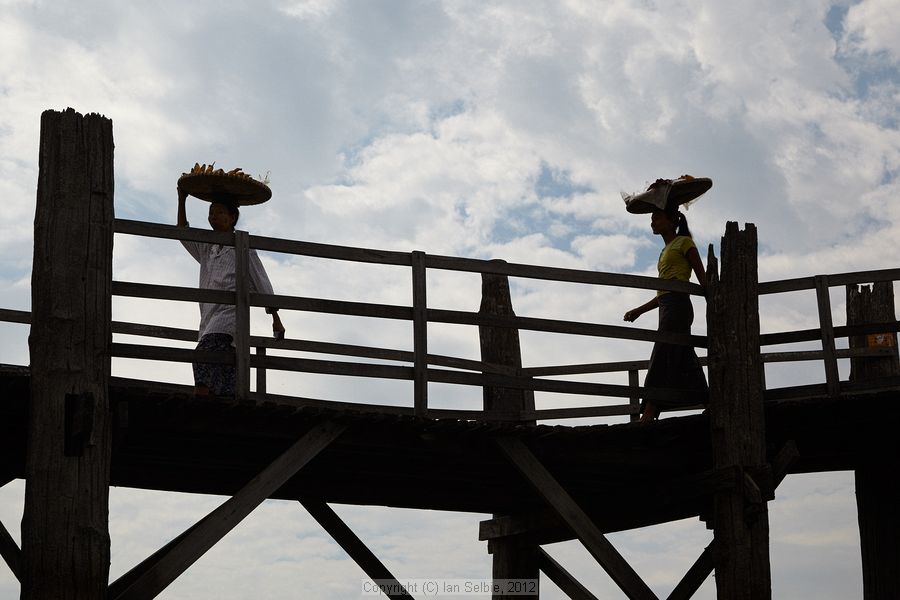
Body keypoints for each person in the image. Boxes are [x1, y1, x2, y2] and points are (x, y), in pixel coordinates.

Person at [177, 187, 285, 396]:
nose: (213, 217)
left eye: (219, 212)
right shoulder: (208, 248)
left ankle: (201, 401)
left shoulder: (242, 248)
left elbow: (261, 281)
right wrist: (181, 199)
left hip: (229, 318)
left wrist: (275, 317)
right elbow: (182, 233)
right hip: (208, 318)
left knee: (203, 356)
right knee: (224, 368)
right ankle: (223, 401)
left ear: (232, 217)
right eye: (211, 212)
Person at [623, 204, 707, 422]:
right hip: (668, 306)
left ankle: (650, 412)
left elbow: (701, 276)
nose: (653, 222)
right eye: (652, 219)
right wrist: (639, 310)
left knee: (662, 353)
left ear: (672, 222)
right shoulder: (664, 251)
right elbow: (664, 291)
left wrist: (714, 299)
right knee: (683, 354)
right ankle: (709, 401)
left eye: (657, 218)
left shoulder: (684, 243)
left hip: (678, 307)